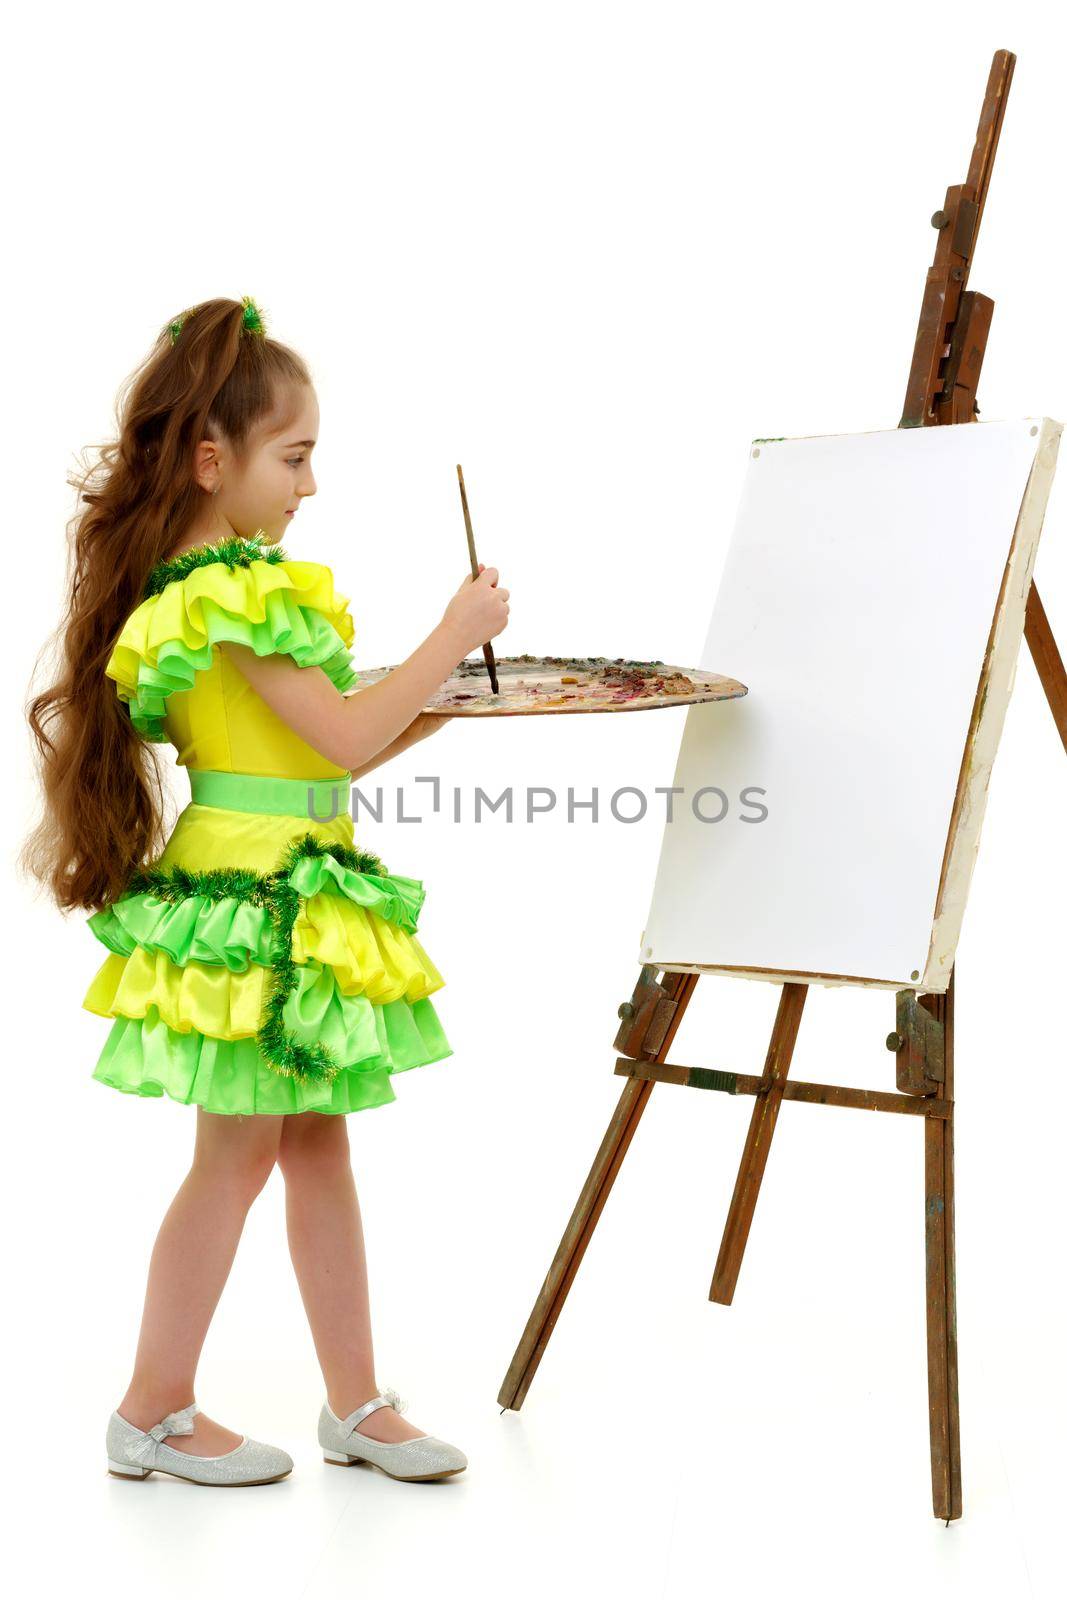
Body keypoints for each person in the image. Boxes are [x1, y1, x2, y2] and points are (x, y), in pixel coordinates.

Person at [21, 295, 509, 1487]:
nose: (309, 483)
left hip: (291, 881)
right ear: (210, 460)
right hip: (253, 905)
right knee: (235, 1156)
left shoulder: (227, 588)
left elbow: (321, 750)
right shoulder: (227, 593)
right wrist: (452, 639)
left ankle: (354, 1403)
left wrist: (438, 704)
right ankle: (149, 1409)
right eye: (294, 457)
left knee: (316, 1149)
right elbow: (338, 740)